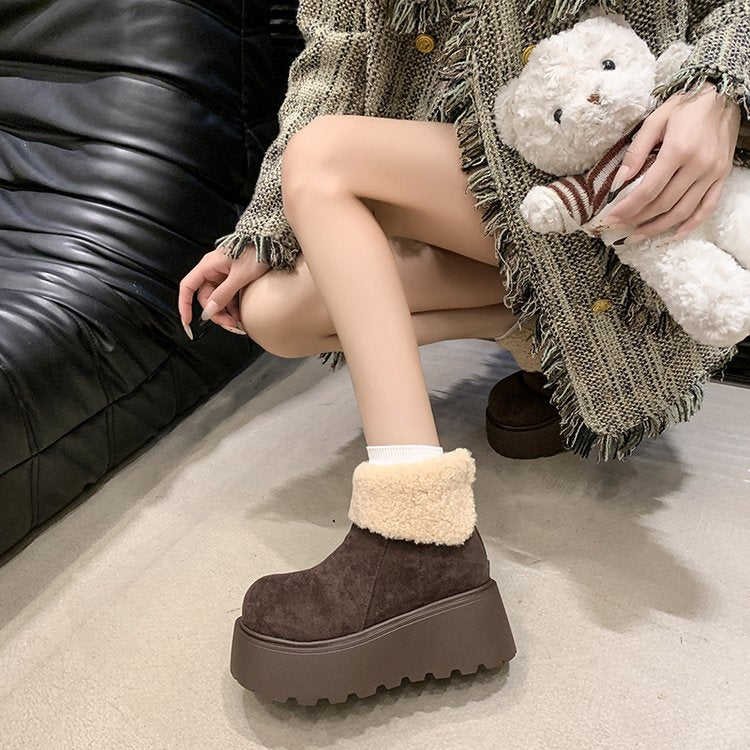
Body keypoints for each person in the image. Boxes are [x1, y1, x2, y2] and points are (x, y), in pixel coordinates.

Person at [176, 0, 747, 704]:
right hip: (497, 192)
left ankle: (416, 530)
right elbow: (335, 61)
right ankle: (554, 344)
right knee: (274, 310)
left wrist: (721, 89)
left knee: (324, 156)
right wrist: (262, 230)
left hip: (635, 178)